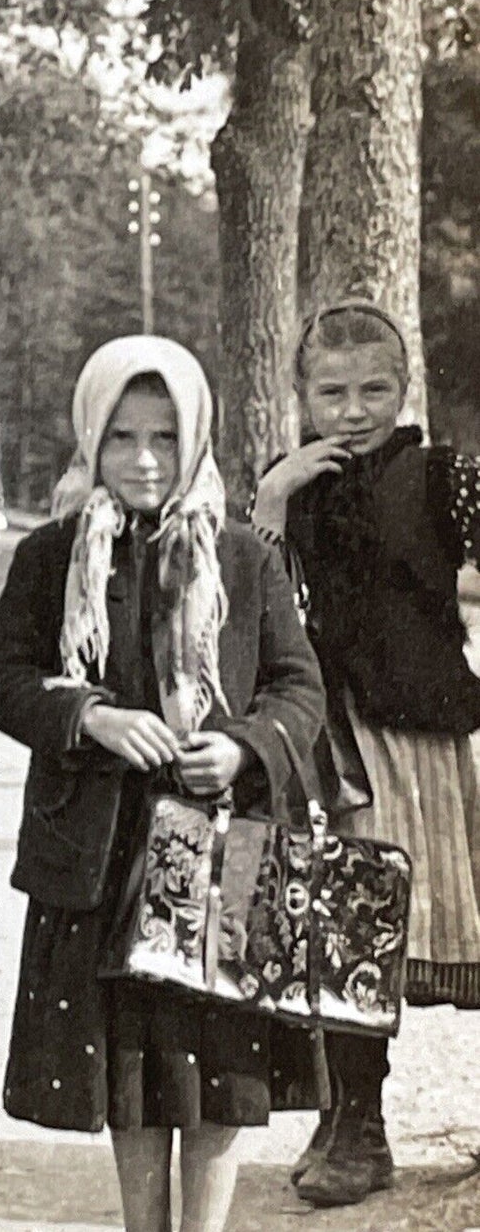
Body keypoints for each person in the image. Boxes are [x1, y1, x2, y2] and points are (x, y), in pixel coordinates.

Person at [0, 336, 326, 1232]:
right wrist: (88, 715)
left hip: (219, 851)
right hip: (104, 850)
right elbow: (3, 679)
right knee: (132, 1069)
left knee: (218, 1066)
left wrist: (246, 748)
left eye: (164, 438)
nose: (142, 459)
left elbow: (298, 684)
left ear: (195, 440)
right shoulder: (53, 556)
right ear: (89, 438)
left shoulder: (243, 557)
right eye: (121, 436)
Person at [251, 299, 480, 1208]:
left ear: (403, 387)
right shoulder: (286, 483)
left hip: (425, 732)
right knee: (352, 929)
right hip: (333, 742)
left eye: (373, 389)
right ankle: (357, 1124)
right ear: (302, 395)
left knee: (455, 921)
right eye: (331, 392)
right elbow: (245, 591)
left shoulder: (442, 476)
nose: (352, 409)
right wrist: (271, 498)